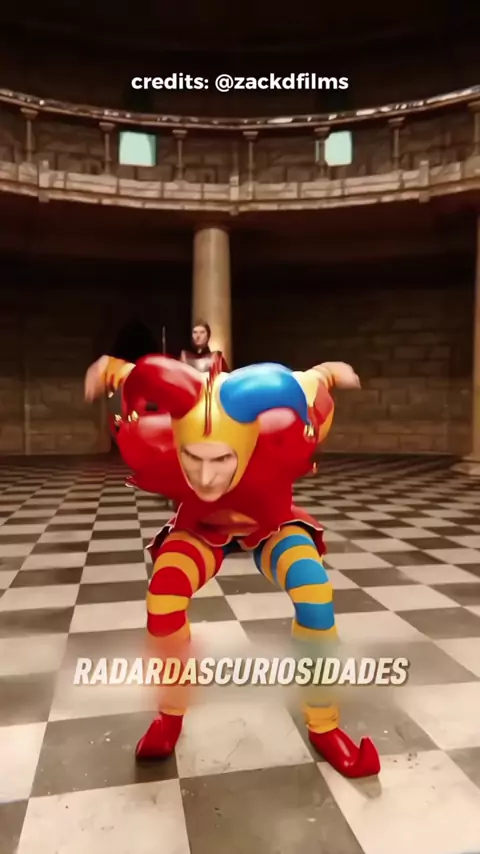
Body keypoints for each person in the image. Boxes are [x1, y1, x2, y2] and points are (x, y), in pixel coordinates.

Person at [84, 353, 380, 779]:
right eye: (193, 458)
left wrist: (331, 372)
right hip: (202, 528)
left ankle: (325, 724)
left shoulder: (288, 427)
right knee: (163, 596)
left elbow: (314, 380)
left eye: (221, 460)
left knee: (315, 594)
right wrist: (109, 368)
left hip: (270, 525)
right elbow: (132, 374)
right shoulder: (164, 438)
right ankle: (169, 716)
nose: (205, 478)